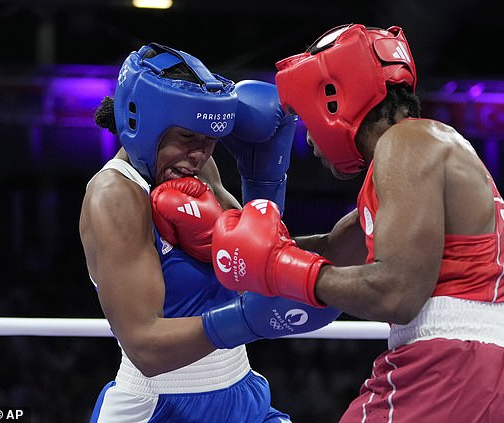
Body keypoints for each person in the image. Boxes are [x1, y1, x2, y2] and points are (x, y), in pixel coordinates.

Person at [210, 24, 504, 422]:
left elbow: (397, 292)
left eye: (305, 118)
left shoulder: (406, 144)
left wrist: (279, 268)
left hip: (455, 371)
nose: (309, 141)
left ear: (333, 97)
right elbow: (329, 249)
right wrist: (217, 243)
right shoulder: (425, 154)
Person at [80, 42, 339, 423]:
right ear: (144, 124)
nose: (200, 154)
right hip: (162, 408)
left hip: (242, 391)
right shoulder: (115, 196)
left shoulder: (196, 169)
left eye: (209, 140)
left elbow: (259, 254)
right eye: (188, 138)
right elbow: (145, 348)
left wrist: (263, 182)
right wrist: (248, 320)